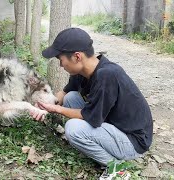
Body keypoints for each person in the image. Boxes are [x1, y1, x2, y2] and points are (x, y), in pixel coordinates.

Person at [29, 27, 153, 177]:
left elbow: (91, 117)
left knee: (73, 128)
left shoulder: (107, 75)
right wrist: (45, 104)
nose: (61, 66)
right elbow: (63, 94)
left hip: (133, 141)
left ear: (77, 57)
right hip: (112, 124)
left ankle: (117, 168)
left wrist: (56, 109)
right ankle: (94, 143)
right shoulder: (83, 71)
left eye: (61, 60)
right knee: (71, 97)